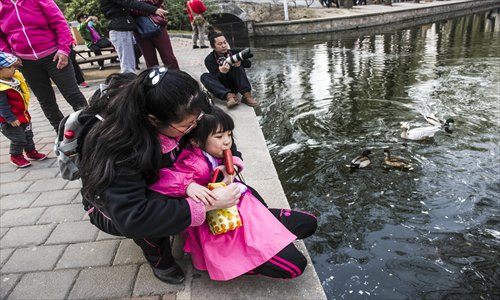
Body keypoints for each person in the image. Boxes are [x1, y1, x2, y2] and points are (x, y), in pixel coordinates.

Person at [79, 68, 242, 284]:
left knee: (193, 185)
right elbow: (133, 217)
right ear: (154, 121)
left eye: (197, 120)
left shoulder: (187, 108)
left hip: (163, 176)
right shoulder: (120, 147)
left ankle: (184, 223)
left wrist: (230, 162)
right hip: (111, 208)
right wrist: (206, 206)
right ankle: (159, 258)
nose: (195, 127)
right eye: (188, 126)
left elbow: (217, 127)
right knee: (156, 206)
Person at [149, 105, 317, 280]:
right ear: (195, 141)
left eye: (229, 134)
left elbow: (230, 155)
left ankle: (265, 232)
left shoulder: (214, 152)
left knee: (309, 223)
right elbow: (161, 178)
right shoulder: (192, 162)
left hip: (244, 213)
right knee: (295, 267)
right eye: (219, 136)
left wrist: (232, 165)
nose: (227, 141)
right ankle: (237, 263)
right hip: (224, 226)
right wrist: (187, 186)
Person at [0, 0, 88, 132]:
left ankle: (90, 126)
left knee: (72, 94)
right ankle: (60, 132)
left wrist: (64, 50)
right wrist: (10, 57)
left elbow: (60, 23)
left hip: (55, 56)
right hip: (26, 62)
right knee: (46, 100)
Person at [0, 52, 47, 168]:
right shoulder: (1, 87)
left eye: (14, 67)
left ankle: (31, 151)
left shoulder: (14, 78)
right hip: (10, 119)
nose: (14, 69)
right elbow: (2, 106)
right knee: (19, 138)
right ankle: (16, 156)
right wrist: (10, 118)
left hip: (23, 114)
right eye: (10, 67)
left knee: (28, 135)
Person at [99, 0, 168, 73]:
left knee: (129, 65)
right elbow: (130, 3)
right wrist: (154, 10)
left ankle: (128, 81)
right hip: (119, 30)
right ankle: (127, 82)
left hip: (123, 29)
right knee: (127, 67)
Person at [200, 29, 258, 109]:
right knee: (204, 76)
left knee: (238, 65)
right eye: (220, 44)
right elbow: (214, 78)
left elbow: (249, 64)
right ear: (213, 47)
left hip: (235, 84)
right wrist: (222, 72)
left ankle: (246, 95)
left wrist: (240, 62)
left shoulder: (233, 52)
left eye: (225, 42)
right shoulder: (209, 59)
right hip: (222, 86)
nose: (224, 46)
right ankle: (229, 97)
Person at [131, 0, 180, 69]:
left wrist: (140, 6)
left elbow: (156, 3)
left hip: (157, 24)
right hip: (139, 29)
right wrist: (151, 9)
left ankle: (176, 78)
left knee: (169, 58)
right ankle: (155, 78)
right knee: (150, 61)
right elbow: (130, 7)